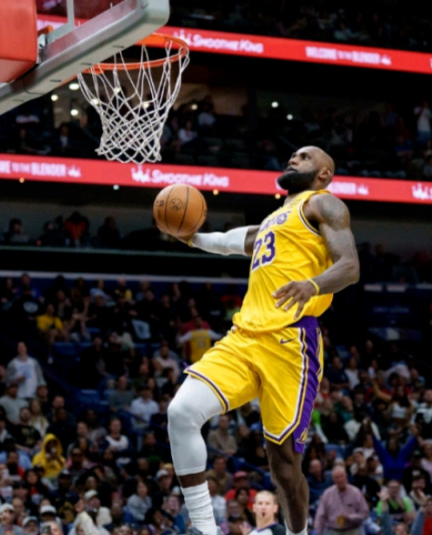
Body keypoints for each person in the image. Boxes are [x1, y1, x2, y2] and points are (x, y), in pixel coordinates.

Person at [166, 146, 360, 535]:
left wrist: (312, 285)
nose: (294, 159)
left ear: (324, 174)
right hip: (244, 337)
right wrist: (190, 236)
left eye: (305, 157)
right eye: (293, 155)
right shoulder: (274, 219)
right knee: (181, 412)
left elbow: (350, 266)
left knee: (283, 465)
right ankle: (204, 529)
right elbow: (229, 241)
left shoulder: (324, 204)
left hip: (291, 342)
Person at [314, 467, 369, 535]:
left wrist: (350, 517)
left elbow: (365, 513)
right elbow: (320, 516)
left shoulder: (356, 492)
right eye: (337, 477)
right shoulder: (327, 494)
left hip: (352, 529)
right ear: (333, 479)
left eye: (341, 476)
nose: (340, 479)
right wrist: (318, 532)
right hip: (333, 530)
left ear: (346, 477)